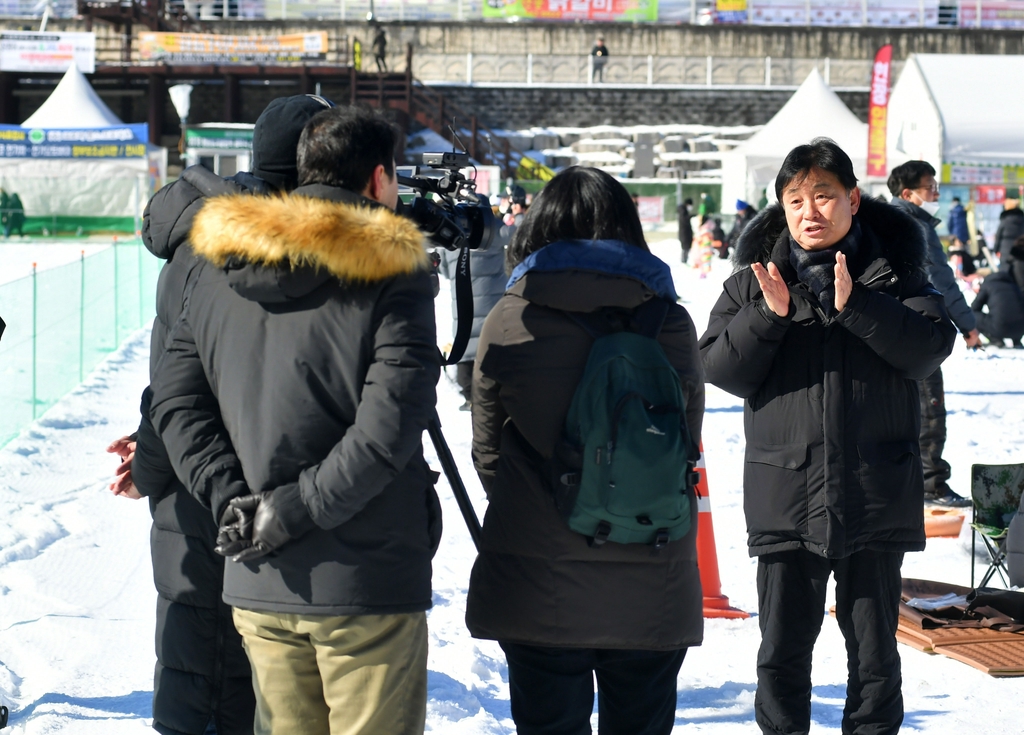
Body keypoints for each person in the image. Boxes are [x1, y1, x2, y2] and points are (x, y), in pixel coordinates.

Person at [150, 105, 441, 735]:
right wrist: (297, 507)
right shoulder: (392, 268)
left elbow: (174, 403)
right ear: (378, 181)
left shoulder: (216, 262)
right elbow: (390, 423)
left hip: (255, 576)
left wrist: (235, 501)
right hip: (363, 576)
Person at [699, 138, 955, 735]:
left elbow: (928, 350)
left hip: (874, 490)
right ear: (781, 207)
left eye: (824, 196)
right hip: (785, 494)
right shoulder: (754, 280)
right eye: (796, 199)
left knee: (874, 659)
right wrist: (770, 315)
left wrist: (858, 305)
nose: (810, 211)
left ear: (853, 200)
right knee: (782, 655)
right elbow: (717, 370)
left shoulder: (895, 272)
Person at [104, 95, 335, 735]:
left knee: (210, 677)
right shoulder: (257, 248)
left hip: (198, 482)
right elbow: (182, 386)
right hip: (224, 491)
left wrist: (153, 459)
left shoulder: (204, 238)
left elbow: (172, 390)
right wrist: (155, 461)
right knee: (212, 684)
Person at [467, 166, 704, 735]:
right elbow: (682, 442)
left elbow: (489, 450)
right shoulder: (670, 322)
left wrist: (540, 506)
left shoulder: (512, 318)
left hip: (539, 583)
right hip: (653, 573)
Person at [888, 161, 979, 508]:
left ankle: (907, 482)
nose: (936, 194)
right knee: (929, 406)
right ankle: (931, 483)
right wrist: (968, 325)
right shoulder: (915, 226)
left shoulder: (881, 220)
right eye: (930, 188)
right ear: (908, 193)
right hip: (916, 328)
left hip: (885, 329)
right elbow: (942, 281)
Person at [437, 212, 508, 412]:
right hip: (493, 310)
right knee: (491, 350)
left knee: (465, 350)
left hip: (462, 309)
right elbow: (512, 234)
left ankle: (470, 396)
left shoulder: (450, 232)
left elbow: (443, 268)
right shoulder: (492, 230)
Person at [971, 269, 1024, 347]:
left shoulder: (987, 285)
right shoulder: (1014, 286)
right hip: (1020, 329)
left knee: (972, 315)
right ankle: (1016, 341)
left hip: (1000, 328)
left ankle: (995, 340)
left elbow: (974, 307)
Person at [994, 191, 1024, 263]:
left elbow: (998, 236)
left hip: (1005, 250)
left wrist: (996, 249)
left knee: (1006, 271)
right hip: (1021, 250)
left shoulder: (1005, 220)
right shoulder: (1022, 219)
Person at [677, 196, 694, 264]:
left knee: (686, 247)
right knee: (685, 247)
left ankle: (684, 260)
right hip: (684, 233)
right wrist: (691, 216)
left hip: (685, 233)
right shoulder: (683, 211)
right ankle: (684, 260)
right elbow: (685, 219)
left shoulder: (683, 211)